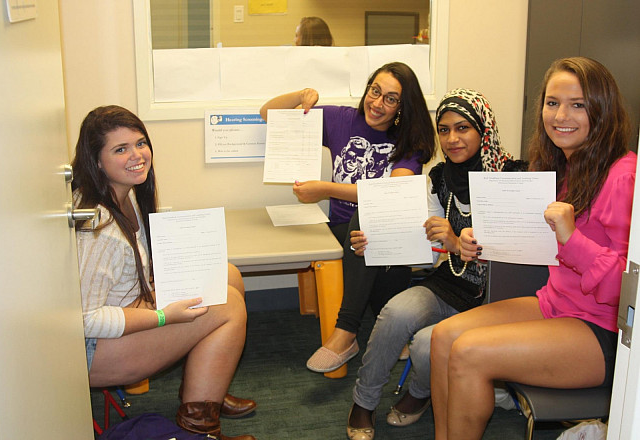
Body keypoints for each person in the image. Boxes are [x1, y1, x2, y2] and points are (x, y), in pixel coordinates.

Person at [430, 57, 636, 440]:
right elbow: (534, 242)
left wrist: (571, 238)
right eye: (552, 102)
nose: (561, 115)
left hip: (603, 329)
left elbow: (628, 289)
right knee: (443, 338)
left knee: (469, 353)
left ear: (602, 110)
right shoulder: (561, 166)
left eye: (578, 104)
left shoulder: (624, 176)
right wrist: (481, 237)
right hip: (555, 304)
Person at [344, 89, 526, 440]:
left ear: (483, 130)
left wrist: (457, 244)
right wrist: (374, 244)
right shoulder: (440, 178)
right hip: (450, 284)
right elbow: (424, 247)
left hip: (494, 299)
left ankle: (418, 393)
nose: (452, 139)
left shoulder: (513, 178)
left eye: (463, 128)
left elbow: (525, 258)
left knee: (427, 343)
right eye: (444, 130)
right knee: (395, 312)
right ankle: (363, 402)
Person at [72, 105, 256, 440]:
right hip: (93, 350)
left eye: (140, 143)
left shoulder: (125, 195)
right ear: (97, 161)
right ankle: (200, 426)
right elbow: (85, 319)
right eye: (120, 149)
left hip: (125, 309)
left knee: (227, 275)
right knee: (227, 304)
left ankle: (206, 390)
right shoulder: (100, 230)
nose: (137, 155)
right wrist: (163, 317)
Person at [259, 62, 436, 373]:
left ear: (402, 107)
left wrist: (324, 189)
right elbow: (268, 114)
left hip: (387, 230)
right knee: (361, 230)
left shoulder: (411, 141)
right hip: (342, 228)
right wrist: (301, 95)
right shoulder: (341, 119)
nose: (377, 103)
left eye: (390, 99)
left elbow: (389, 192)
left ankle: (352, 329)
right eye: (375, 91)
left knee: (371, 215)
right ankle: (368, 330)